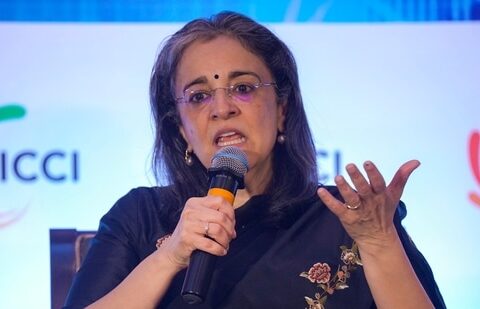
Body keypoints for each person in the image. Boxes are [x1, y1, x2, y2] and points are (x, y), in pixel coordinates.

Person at [65, 11, 445, 308]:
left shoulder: (348, 218)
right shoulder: (141, 217)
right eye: (198, 96)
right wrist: (170, 257)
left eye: (243, 88)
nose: (222, 108)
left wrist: (379, 243)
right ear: (180, 128)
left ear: (282, 109)